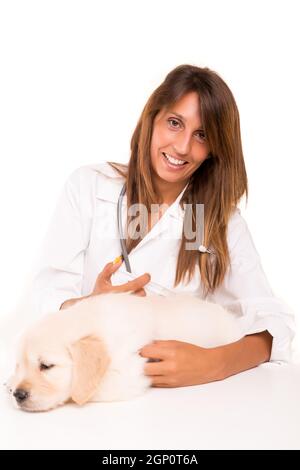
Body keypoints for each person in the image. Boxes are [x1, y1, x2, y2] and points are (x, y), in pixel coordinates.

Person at [31, 64, 295, 388]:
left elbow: (274, 326)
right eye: (174, 123)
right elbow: (43, 298)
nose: (183, 147)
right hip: (93, 393)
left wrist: (214, 363)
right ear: (152, 118)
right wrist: (89, 304)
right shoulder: (89, 187)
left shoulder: (219, 222)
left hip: (182, 403)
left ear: (215, 149)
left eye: (202, 135)